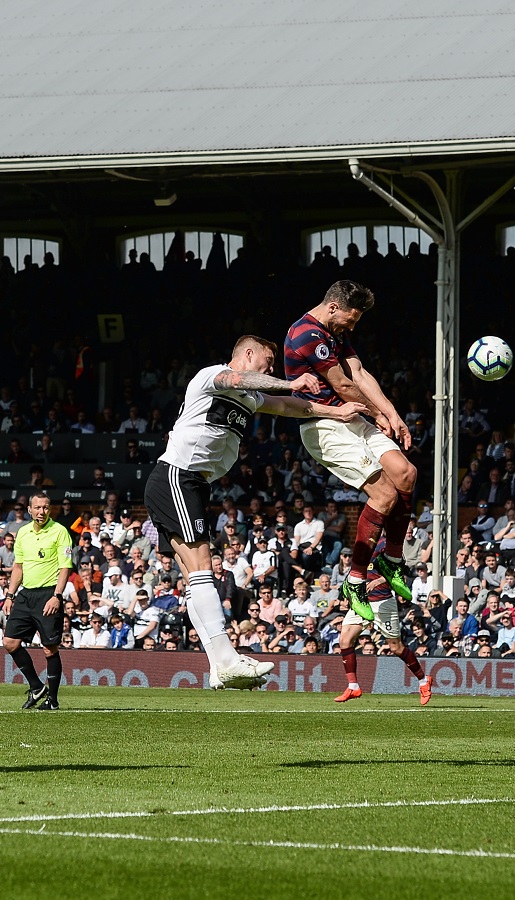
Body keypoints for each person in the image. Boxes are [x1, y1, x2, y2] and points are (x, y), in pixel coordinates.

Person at [142, 334, 365, 689]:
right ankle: (228, 659)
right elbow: (239, 379)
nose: (272, 366)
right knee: (202, 570)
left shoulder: (250, 397)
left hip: (191, 482)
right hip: (177, 475)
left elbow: (291, 407)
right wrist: (291, 382)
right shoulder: (212, 375)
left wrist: (336, 411)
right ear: (248, 354)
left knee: (193, 578)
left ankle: (218, 666)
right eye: (267, 359)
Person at [284, 281, 418, 619]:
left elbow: (359, 372)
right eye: (351, 320)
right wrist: (376, 414)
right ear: (333, 308)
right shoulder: (306, 334)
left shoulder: (334, 330)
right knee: (385, 495)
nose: (353, 327)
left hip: (353, 415)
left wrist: (392, 414)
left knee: (406, 473)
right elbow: (342, 384)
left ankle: (392, 560)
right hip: (323, 425)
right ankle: (355, 578)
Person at [332, 537, 433, 705]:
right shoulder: (362, 544)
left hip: (383, 603)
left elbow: (401, 572)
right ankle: (353, 686)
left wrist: (378, 581)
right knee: (344, 640)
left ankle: (423, 681)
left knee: (396, 647)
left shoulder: (387, 544)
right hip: (362, 601)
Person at [1, 491, 73, 711]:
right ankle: (36, 686)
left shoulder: (60, 532)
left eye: (46, 507)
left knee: (49, 648)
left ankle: (53, 700)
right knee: (9, 642)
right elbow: (18, 567)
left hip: (48, 594)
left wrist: (57, 596)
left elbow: (65, 568)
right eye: (38, 507)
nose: (42, 511)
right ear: (29, 509)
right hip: (25, 594)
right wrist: (10, 595)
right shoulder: (22, 533)